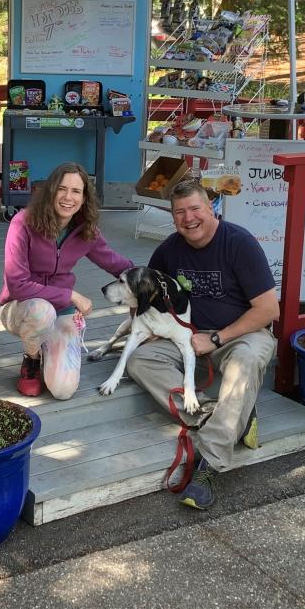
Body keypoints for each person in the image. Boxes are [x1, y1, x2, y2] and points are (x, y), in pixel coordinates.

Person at [125, 178, 279, 510]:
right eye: (179, 212)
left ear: (211, 208)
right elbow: (142, 297)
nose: (188, 218)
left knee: (247, 363)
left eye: (195, 208)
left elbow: (268, 311)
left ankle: (208, 466)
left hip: (241, 335)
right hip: (187, 337)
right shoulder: (168, 250)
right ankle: (218, 414)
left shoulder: (240, 243)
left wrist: (216, 338)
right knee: (139, 360)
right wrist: (150, 324)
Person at [0, 162, 133, 400]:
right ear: (51, 190)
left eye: (76, 191)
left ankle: (47, 347)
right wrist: (71, 295)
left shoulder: (85, 230)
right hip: (20, 307)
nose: (68, 197)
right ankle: (31, 359)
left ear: (84, 198)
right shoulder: (23, 222)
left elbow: (115, 262)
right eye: (62, 189)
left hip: (60, 310)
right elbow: (17, 284)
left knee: (63, 390)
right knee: (42, 313)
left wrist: (150, 278)